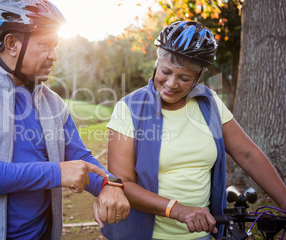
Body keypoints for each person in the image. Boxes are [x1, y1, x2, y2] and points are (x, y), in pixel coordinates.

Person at [0, 0, 130, 240]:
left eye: (56, 46)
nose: (54, 56)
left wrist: (109, 185)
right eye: (46, 45)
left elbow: (80, 157)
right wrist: (55, 173)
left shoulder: (53, 102)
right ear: (13, 43)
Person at [101, 20, 286, 240]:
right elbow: (122, 184)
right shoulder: (129, 108)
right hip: (146, 235)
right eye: (165, 71)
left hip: (204, 233)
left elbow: (249, 154)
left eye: (184, 78)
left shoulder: (210, 104)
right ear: (157, 62)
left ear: (198, 77)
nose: (171, 83)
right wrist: (177, 209)